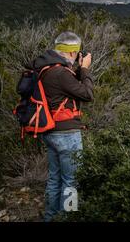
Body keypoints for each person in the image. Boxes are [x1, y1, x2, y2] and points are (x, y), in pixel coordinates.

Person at [30, 32, 93, 222]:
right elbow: (87, 94)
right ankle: (67, 218)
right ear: (73, 52)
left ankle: (50, 218)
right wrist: (85, 70)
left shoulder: (46, 70)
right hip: (67, 135)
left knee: (54, 180)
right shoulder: (61, 73)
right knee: (71, 182)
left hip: (51, 132)